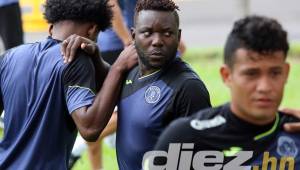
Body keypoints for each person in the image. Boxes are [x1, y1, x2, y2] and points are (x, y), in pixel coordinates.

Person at [0, 0, 137, 169]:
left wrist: (96, 57)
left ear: (51, 27)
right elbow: (89, 128)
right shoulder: (75, 60)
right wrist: (119, 67)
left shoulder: (10, 58)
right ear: (93, 29)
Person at [153, 15, 300, 169]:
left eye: (275, 73)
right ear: (227, 76)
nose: (264, 87)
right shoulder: (184, 138)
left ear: (286, 72)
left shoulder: (295, 133)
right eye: (251, 74)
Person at [116, 0, 211, 169]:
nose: (157, 41)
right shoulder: (127, 71)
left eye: (167, 33)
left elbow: (204, 159)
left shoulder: (188, 88)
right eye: (147, 33)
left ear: (178, 36)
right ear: (133, 35)